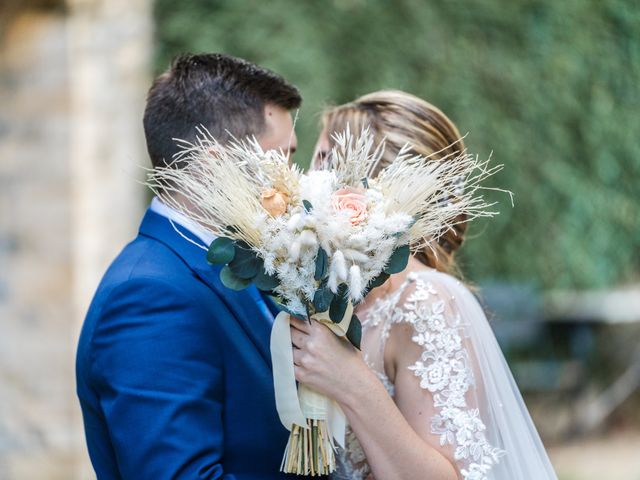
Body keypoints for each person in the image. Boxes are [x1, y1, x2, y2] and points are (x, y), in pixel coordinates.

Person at [290, 90, 558, 479]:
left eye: (322, 161)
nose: (306, 184)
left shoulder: (424, 301)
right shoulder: (327, 297)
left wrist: (351, 381)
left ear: (371, 188)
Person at [76, 53, 308, 479]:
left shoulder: (238, 263)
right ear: (214, 164)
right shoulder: (149, 296)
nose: (295, 180)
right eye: (281, 158)